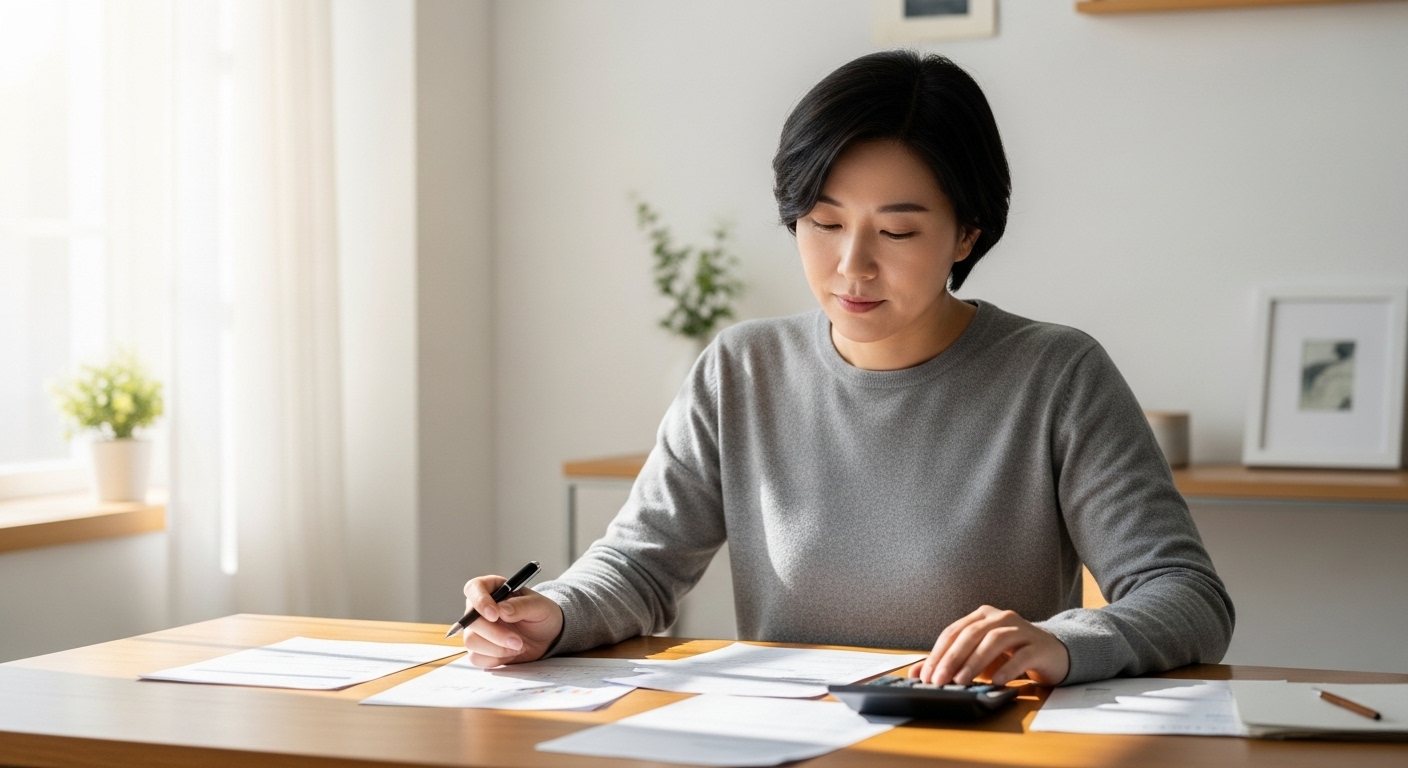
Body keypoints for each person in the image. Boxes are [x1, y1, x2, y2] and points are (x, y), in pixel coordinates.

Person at [460, 50, 1234, 687]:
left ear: (966, 233)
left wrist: (1065, 644)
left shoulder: (1056, 375)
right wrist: (552, 613)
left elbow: (1187, 596)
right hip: (785, 740)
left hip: (976, 744)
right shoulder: (741, 368)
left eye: (896, 231)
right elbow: (639, 567)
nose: (851, 266)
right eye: (824, 223)